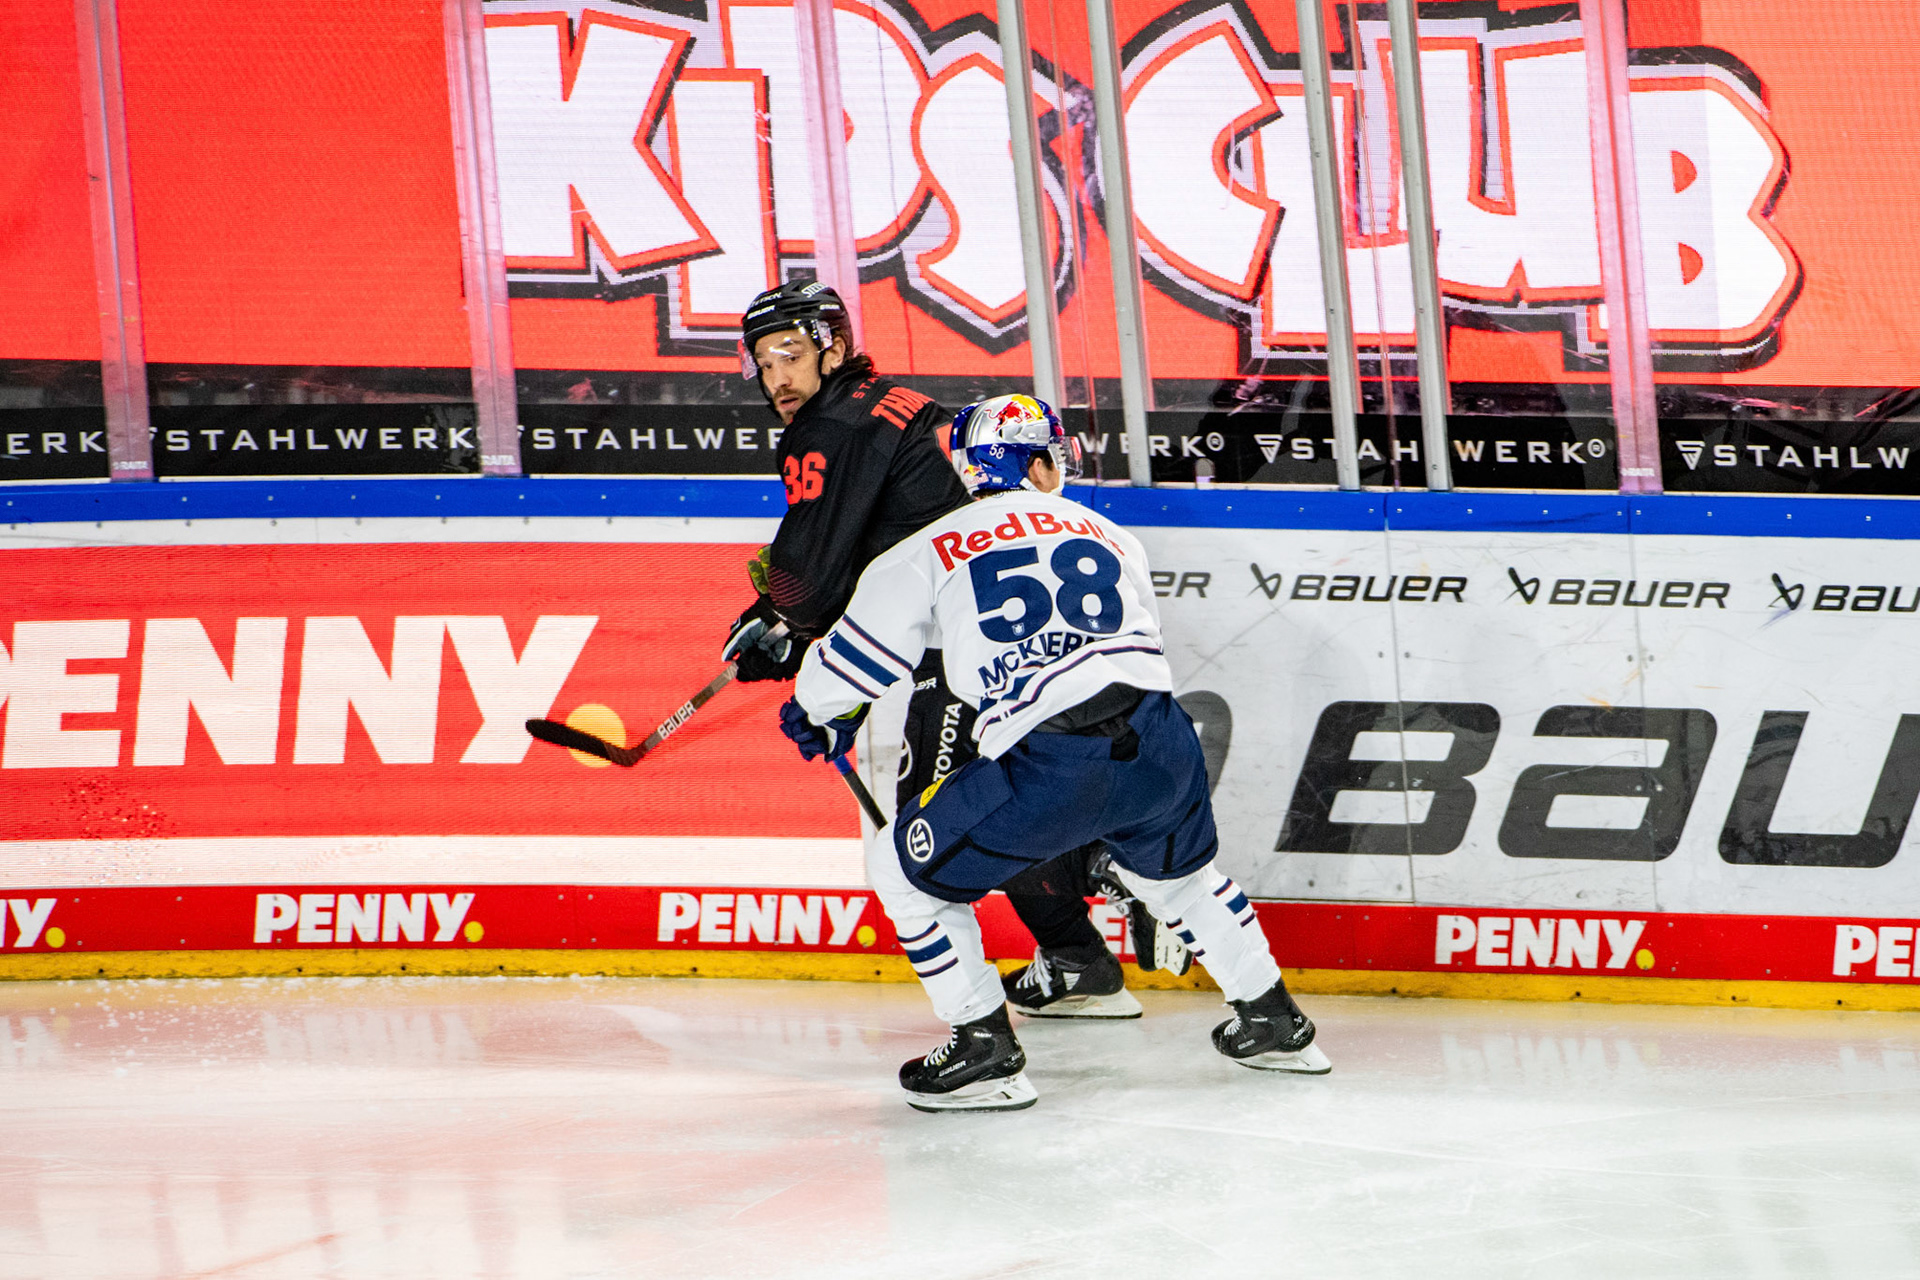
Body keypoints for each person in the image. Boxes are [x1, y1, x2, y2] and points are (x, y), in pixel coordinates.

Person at [776, 393, 1330, 1112]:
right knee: (1184, 883)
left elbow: (848, 667)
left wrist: (818, 713)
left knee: (900, 869)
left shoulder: (926, 549)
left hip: (1052, 765)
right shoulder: (1111, 533)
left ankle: (983, 1049)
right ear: (1037, 464)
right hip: (1164, 741)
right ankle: (1276, 1022)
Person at [720, 282, 1165, 1016]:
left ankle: (1097, 875)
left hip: (968, 644)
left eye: (791, 356)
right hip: (1013, 635)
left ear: (832, 347)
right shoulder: (889, 403)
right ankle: (1079, 955)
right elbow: (862, 544)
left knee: (937, 823)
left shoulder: (827, 430)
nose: (778, 380)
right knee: (985, 798)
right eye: (764, 364)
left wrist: (787, 625)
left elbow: (813, 579)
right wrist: (785, 616)